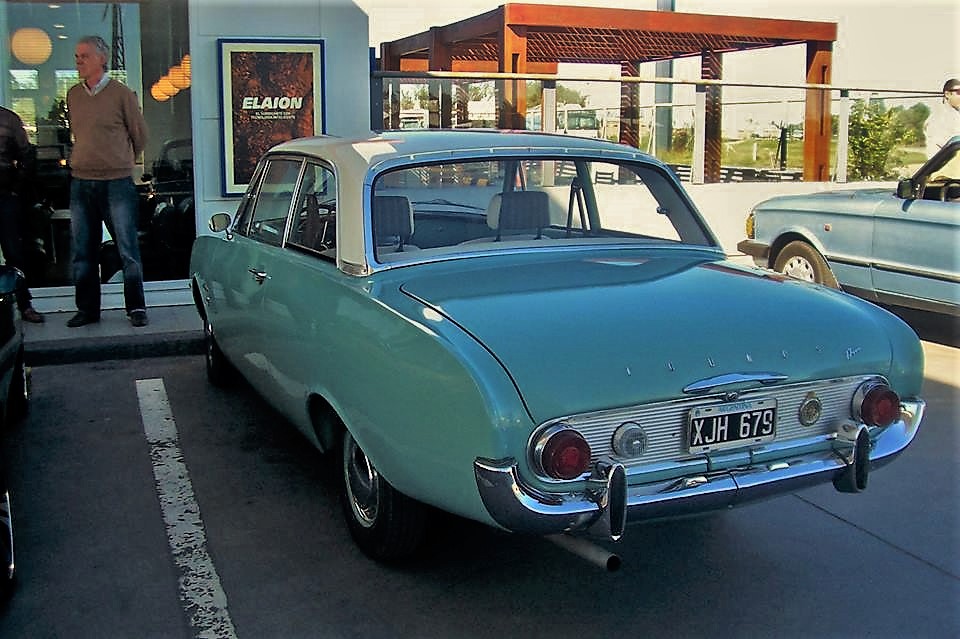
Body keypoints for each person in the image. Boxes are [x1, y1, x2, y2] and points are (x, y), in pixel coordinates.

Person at [65, 35, 149, 327]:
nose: (79, 61)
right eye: (77, 56)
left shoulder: (121, 94)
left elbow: (139, 135)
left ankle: (136, 307)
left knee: (127, 248)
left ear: (102, 59)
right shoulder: (73, 95)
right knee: (83, 252)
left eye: (84, 56)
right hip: (81, 182)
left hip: (116, 183)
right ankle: (88, 310)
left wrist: (121, 160)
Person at [0, 105, 44, 323]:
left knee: (14, 252)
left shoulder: (8, 119)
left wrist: (16, 189)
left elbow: (27, 154)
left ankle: (25, 305)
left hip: (4, 192)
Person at [924, 78, 960, 159]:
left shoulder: (955, 114)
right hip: (945, 165)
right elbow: (953, 145)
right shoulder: (938, 118)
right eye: (959, 92)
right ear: (947, 94)